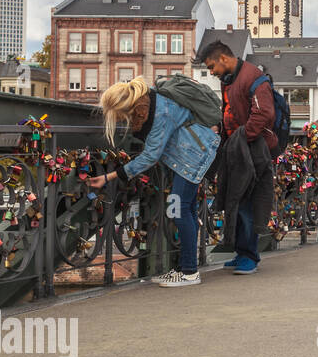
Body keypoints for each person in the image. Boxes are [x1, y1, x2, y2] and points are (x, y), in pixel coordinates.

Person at [88, 77, 220, 287]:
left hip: (194, 156)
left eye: (119, 115)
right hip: (191, 154)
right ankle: (187, 267)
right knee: (186, 210)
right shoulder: (149, 100)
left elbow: (151, 156)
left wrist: (111, 176)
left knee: (179, 210)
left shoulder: (159, 113)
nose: (121, 119)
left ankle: (189, 272)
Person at [200, 40, 279, 274]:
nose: (212, 72)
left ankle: (250, 257)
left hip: (252, 150)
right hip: (238, 148)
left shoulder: (254, 79)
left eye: (212, 66)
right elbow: (232, 111)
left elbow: (263, 113)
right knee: (237, 202)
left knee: (247, 203)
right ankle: (242, 252)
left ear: (224, 59)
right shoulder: (232, 80)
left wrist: (242, 137)